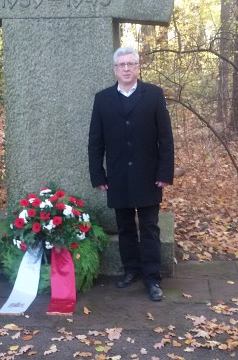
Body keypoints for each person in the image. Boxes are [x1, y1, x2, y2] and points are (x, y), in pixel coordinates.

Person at [88, 47, 174, 302]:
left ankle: (152, 278)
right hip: (117, 176)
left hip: (148, 175)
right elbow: (95, 142)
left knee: (149, 228)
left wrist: (164, 172)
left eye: (131, 64)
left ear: (138, 67)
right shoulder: (102, 99)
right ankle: (131, 270)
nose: (126, 68)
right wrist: (98, 175)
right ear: (115, 69)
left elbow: (165, 139)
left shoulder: (154, 95)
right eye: (122, 64)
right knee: (125, 227)